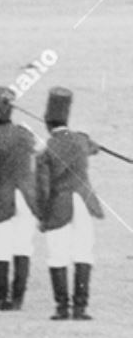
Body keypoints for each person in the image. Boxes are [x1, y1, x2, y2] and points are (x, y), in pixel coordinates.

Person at [33, 88, 104, 320]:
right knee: (83, 254)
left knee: (58, 256)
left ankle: (62, 307)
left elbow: (42, 189)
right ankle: (81, 308)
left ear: (47, 122)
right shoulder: (81, 140)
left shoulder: (45, 151)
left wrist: (42, 217)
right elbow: (93, 148)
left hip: (59, 205)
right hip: (84, 203)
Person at [0, 85, 37, 310]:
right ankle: (18, 299)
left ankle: (2, 299)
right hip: (26, 200)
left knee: (1, 251)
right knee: (23, 249)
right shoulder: (26, 135)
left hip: (2, 200)